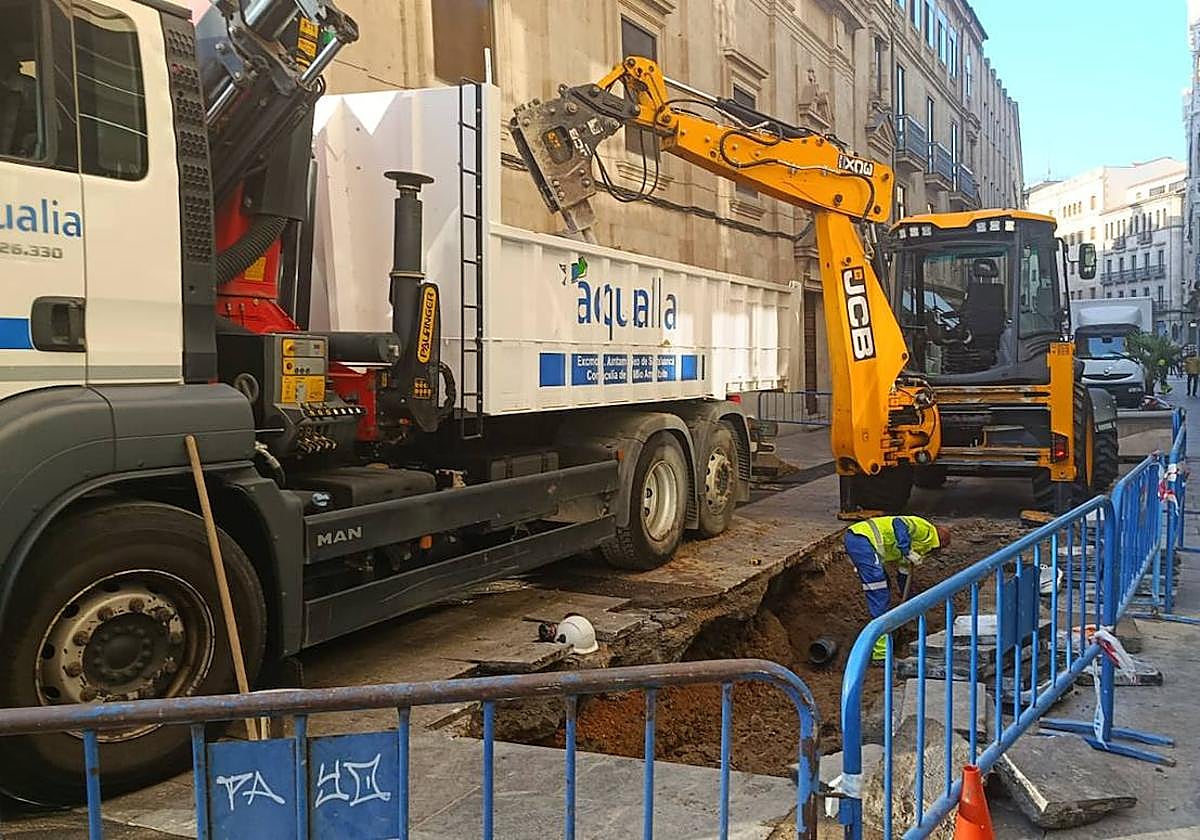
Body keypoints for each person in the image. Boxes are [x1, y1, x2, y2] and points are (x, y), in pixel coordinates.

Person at [843, 515, 950, 662]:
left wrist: (911, 602)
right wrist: (906, 550)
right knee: (879, 592)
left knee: (883, 585)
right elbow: (898, 523)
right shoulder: (926, 531)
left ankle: (887, 639)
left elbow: (904, 577)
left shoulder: (918, 548)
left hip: (864, 543)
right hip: (861, 539)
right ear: (939, 544)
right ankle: (881, 655)